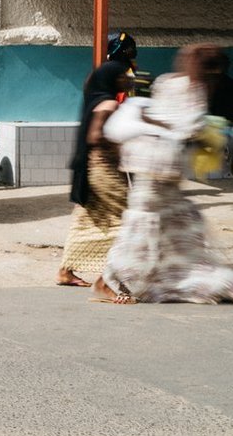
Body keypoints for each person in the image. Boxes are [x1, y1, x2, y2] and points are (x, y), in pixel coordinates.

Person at [97, 44, 233, 304]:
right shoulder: (190, 89)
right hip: (154, 168)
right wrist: (198, 131)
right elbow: (180, 124)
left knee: (174, 223)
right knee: (145, 226)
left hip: (161, 169)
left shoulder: (170, 82)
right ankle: (115, 280)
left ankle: (129, 278)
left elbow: (156, 115)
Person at [57, 61, 131, 288]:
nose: (128, 80)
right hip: (105, 172)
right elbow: (95, 136)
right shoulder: (109, 104)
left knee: (87, 219)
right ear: (112, 80)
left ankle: (65, 271)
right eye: (122, 77)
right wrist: (120, 143)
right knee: (126, 218)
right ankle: (114, 275)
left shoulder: (95, 100)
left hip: (93, 169)